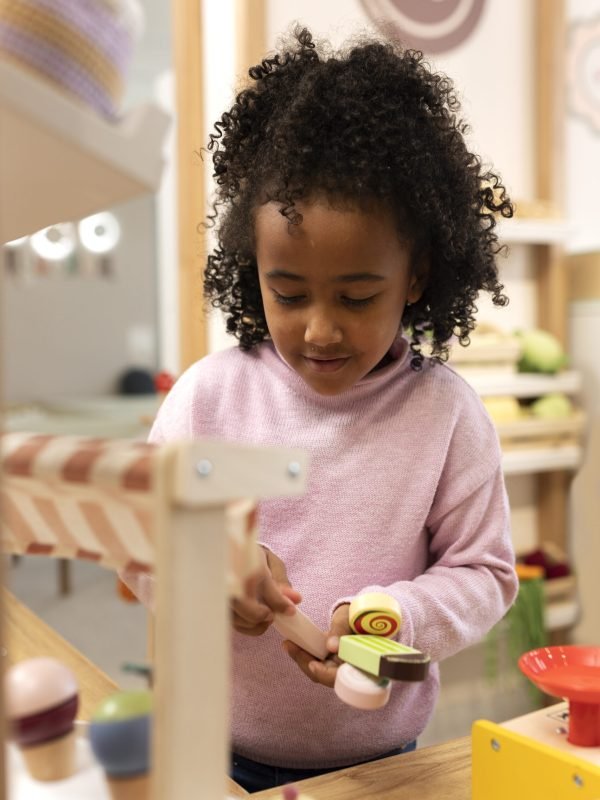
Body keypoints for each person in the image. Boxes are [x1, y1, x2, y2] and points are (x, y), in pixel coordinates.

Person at [148, 26, 519, 793]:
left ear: (415, 276)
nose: (319, 328)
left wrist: (398, 616)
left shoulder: (445, 416)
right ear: (251, 271)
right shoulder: (209, 399)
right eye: (287, 293)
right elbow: (142, 542)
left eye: (357, 297)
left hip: (386, 759)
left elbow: (485, 573)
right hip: (218, 752)